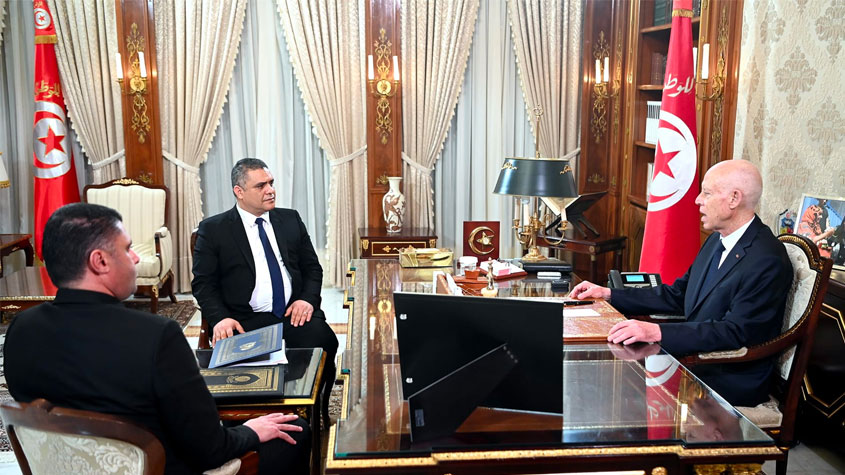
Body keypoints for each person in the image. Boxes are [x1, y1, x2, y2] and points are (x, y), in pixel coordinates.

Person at [4, 203, 311, 474]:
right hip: (161, 467)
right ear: (100, 261)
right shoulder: (156, 335)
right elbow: (211, 450)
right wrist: (252, 430)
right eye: (127, 248)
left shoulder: (21, 330)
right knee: (293, 430)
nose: (136, 258)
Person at [569, 160, 793, 406]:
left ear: (734, 199)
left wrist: (656, 331)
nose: (697, 200)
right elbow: (679, 294)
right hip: (694, 358)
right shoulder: (717, 240)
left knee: (615, 392)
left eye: (707, 193)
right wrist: (610, 294)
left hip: (726, 376)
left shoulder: (767, 259)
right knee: (604, 380)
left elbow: (734, 332)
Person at [191, 158, 338, 410]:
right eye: (261, 186)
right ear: (239, 192)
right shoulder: (214, 230)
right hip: (244, 319)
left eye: (271, 183)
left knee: (325, 340)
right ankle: (256, 415)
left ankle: (316, 410)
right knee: (245, 373)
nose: (270, 190)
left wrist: (306, 300)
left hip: (292, 313)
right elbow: (204, 284)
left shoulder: (290, 219)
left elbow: (312, 268)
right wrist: (220, 319)